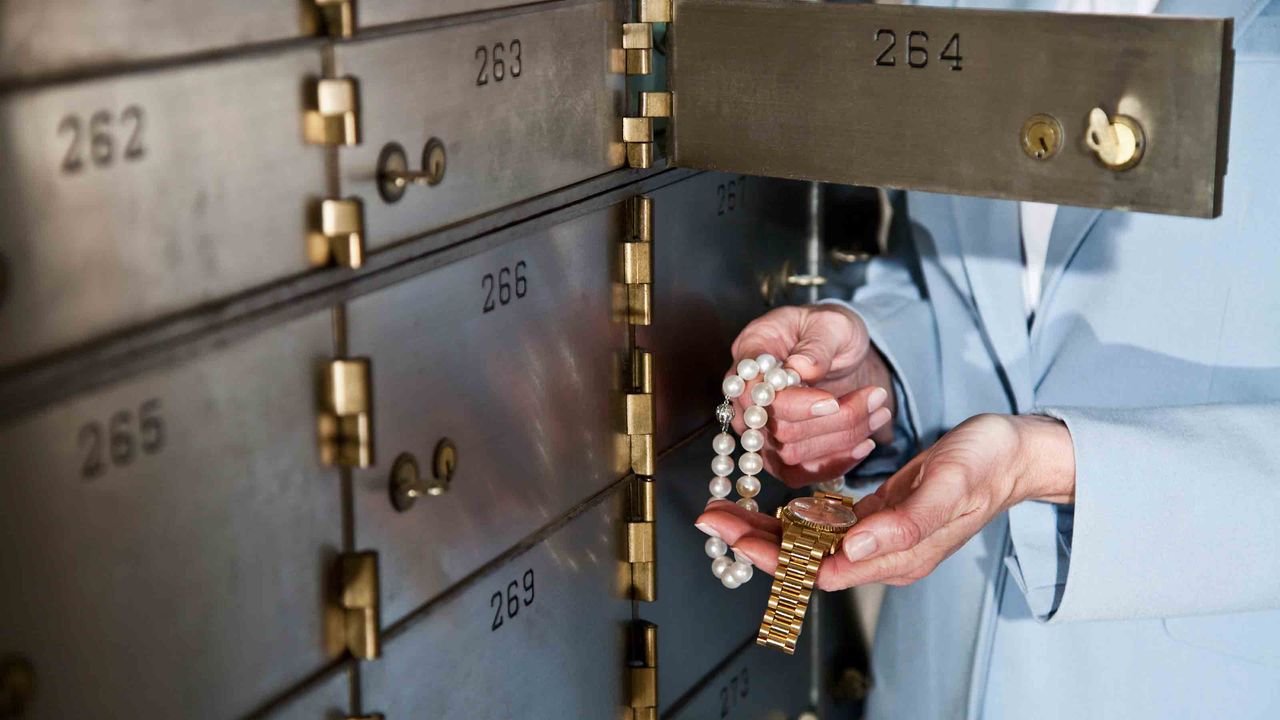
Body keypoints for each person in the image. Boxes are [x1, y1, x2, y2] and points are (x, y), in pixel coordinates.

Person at [695, 0, 1280, 717]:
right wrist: (874, 380)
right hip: (933, 677)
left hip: (1189, 686)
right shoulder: (953, 12)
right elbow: (948, 286)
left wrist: (1046, 463)